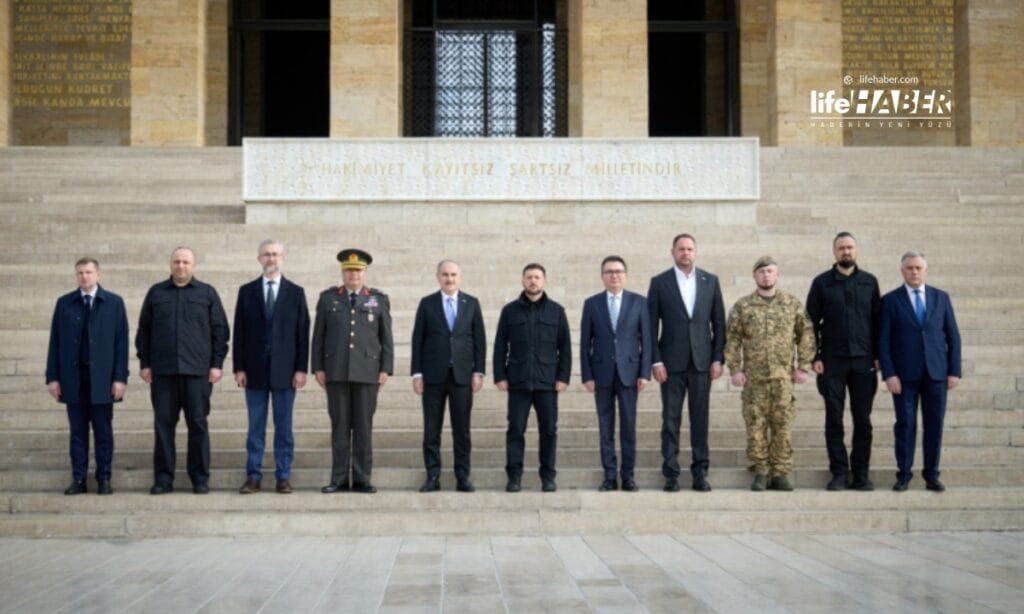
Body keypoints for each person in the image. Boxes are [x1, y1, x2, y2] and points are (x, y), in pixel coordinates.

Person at [137, 247, 229, 495]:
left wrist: (216, 364)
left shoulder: (207, 293)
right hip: (163, 373)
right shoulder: (156, 293)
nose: (181, 266)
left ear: (194, 265)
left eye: (185, 262)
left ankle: (199, 478)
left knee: (198, 425)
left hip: (197, 373)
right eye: (176, 262)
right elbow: (143, 331)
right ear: (170, 264)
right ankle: (163, 479)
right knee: (163, 426)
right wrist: (144, 363)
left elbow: (220, 331)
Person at [724, 256, 815, 491]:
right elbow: (732, 339)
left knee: (782, 425)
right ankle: (761, 472)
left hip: (783, 378)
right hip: (754, 380)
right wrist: (735, 369)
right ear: (755, 276)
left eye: (770, 271)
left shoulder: (791, 304)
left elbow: (805, 333)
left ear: (777, 275)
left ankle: (780, 472)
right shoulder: (743, 306)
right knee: (755, 426)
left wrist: (803, 366)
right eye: (761, 271)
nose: (766, 275)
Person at [646, 233, 725, 492]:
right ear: (673, 252)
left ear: (696, 252)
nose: (685, 253)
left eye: (690, 249)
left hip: (702, 363)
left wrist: (717, 358)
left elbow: (719, 324)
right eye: (681, 249)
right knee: (670, 420)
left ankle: (700, 474)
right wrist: (655, 361)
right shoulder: (659, 283)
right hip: (671, 364)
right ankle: (671, 474)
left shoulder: (710, 281)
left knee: (700, 420)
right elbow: (649, 326)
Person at [878, 251, 961, 492]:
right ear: (902, 271)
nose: (914, 272)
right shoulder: (891, 300)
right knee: (905, 424)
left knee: (934, 424)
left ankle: (931, 474)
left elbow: (953, 336)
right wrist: (889, 374)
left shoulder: (941, 298)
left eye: (918, 268)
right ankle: (903, 474)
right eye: (909, 268)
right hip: (904, 376)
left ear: (925, 270)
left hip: (936, 373)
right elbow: (883, 340)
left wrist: (954, 370)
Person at [312, 248, 394, 494]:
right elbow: (319, 336)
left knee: (363, 428)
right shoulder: (328, 299)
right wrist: (317, 366)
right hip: (336, 371)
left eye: (358, 270)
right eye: (349, 270)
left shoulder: (378, 300)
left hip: (368, 373)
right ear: (342, 272)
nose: (353, 275)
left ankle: (361, 478)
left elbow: (386, 337)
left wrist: (385, 368)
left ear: (365, 272)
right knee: (339, 428)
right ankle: (338, 479)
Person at [45, 257, 129, 495]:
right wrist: (53, 377)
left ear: (98, 275)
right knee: (77, 433)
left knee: (103, 432)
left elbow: (120, 344)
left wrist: (120, 378)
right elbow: (55, 342)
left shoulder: (114, 303)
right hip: (74, 379)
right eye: (80, 272)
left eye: (89, 272)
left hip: (102, 379)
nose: (84, 276)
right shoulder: (64, 303)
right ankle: (79, 479)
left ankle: (104, 479)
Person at [233, 239, 310, 495]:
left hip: (285, 373)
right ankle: (253, 476)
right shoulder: (246, 291)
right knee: (255, 427)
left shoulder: (296, 292)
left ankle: (283, 476)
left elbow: (302, 334)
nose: (271, 259)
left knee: (284, 427)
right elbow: (240, 332)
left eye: (275, 254)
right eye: (266, 254)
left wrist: (301, 368)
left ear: (283, 258)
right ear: (259, 259)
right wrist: (239, 367)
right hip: (253, 371)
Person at [806, 231, 881, 491]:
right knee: (834, 419)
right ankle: (839, 472)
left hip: (863, 362)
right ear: (834, 252)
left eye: (849, 247)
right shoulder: (822, 283)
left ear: (856, 251)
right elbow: (810, 323)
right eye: (841, 248)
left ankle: (861, 474)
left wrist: (878, 356)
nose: (846, 252)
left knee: (863, 419)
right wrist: (815, 356)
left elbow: (878, 322)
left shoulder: (870, 282)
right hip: (832, 362)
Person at [494, 263, 571, 493]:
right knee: (515, 430)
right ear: (522, 281)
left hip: (547, 383)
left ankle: (548, 477)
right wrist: (500, 375)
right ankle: (514, 477)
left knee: (548, 431)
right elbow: (500, 346)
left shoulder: (557, 311)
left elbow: (565, 347)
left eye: (537, 277)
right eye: (529, 277)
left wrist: (563, 377)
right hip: (518, 382)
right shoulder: (510, 311)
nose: (533, 281)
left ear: (544, 281)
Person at [410, 260, 486, 493]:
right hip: (433, 376)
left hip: (462, 376)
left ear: (460, 277)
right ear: (438, 277)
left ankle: (462, 476)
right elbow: (417, 340)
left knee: (461, 430)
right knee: (431, 430)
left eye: (453, 274)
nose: (449, 279)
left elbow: (479, 340)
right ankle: (433, 476)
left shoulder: (471, 303)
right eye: (445, 274)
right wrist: (417, 373)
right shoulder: (427, 303)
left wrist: (478, 371)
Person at [580, 256, 652, 492]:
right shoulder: (592, 303)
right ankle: (609, 476)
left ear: (626, 275)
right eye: (609, 272)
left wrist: (644, 372)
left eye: (619, 271)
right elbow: (584, 343)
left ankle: (628, 476)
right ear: (602, 276)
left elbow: (647, 341)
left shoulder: (639, 302)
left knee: (629, 427)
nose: (614, 275)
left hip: (630, 373)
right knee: (605, 427)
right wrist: (587, 375)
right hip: (601, 374)